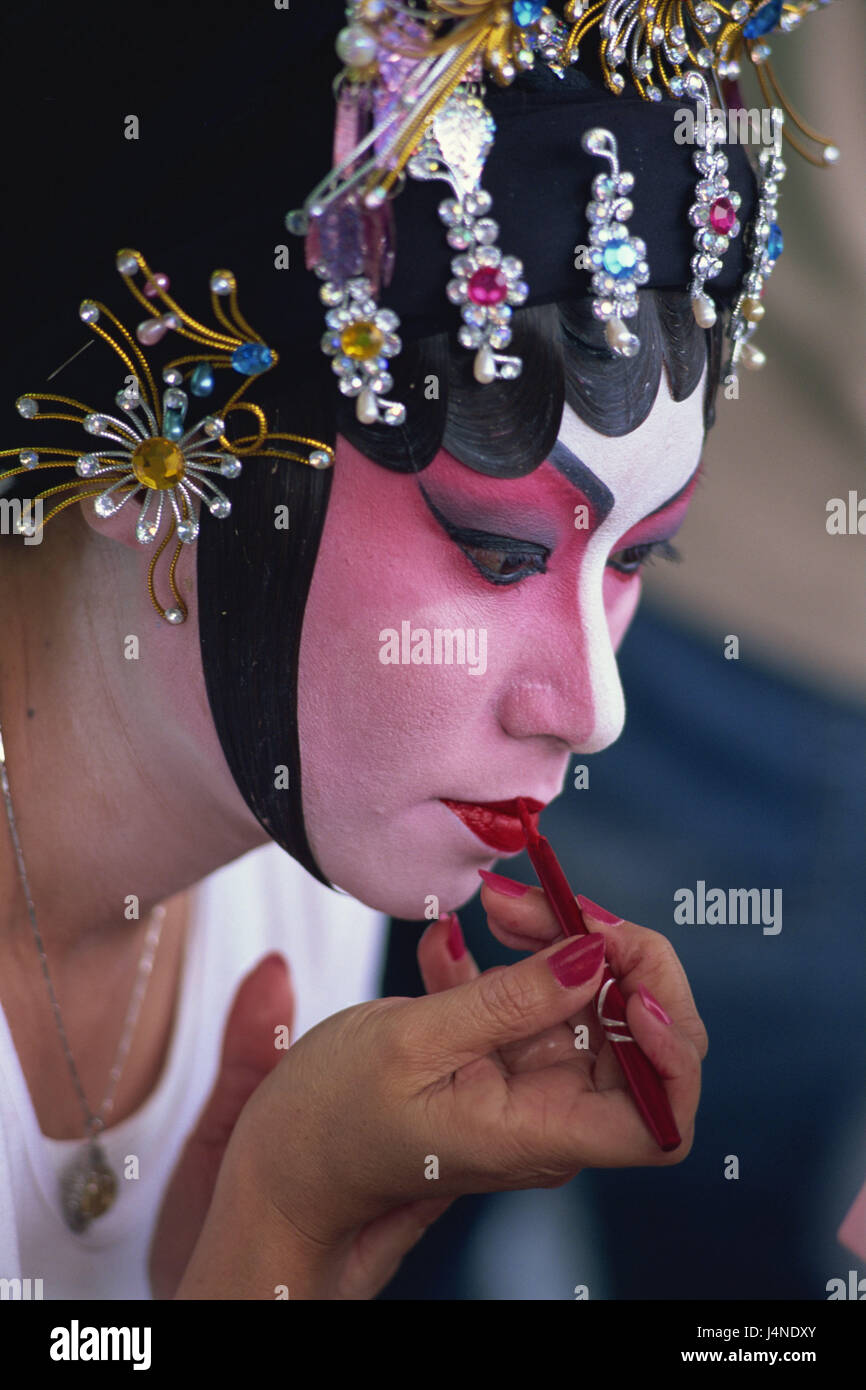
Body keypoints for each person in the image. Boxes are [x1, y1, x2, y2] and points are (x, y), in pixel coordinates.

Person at [0, 0, 834, 1300]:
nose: (596, 704)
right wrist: (274, 1230)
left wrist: (203, 1262)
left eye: (633, 561)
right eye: (494, 552)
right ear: (152, 431)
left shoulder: (315, 851)